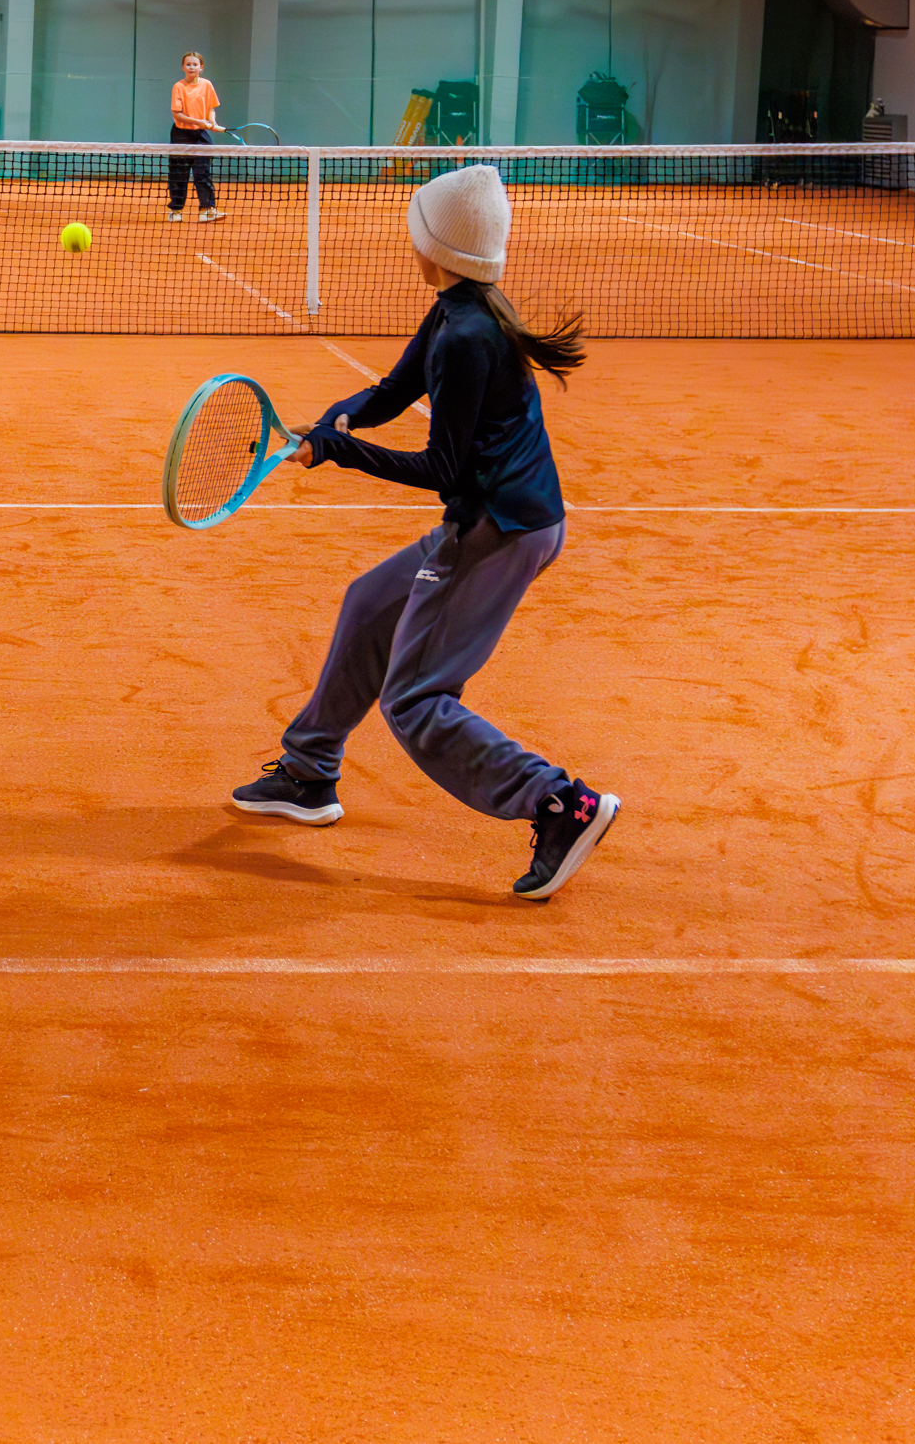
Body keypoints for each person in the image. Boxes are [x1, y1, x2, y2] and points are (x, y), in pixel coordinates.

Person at [227, 164, 619, 901]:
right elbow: (392, 389)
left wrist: (339, 451)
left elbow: (443, 467)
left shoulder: (467, 335)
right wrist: (331, 421)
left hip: (499, 527)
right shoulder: (457, 309)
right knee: (370, 602)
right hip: (508, 514)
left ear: (436, 245)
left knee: (414, 698)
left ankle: (559, 801)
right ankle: (310, 771)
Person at [166, 51, 226, 223]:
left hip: (200, 135)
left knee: (203, 173)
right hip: (181, 134)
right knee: (178, 174)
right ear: (183, 67)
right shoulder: (179, 86)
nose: (191, 67)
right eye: (188, 64)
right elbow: (177, 114)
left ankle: (206, 210)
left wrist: (212, 123)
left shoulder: (207, 85)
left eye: (195, 64)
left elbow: (210, 108)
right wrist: (199, 122)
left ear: (201, 67)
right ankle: (176, 211)